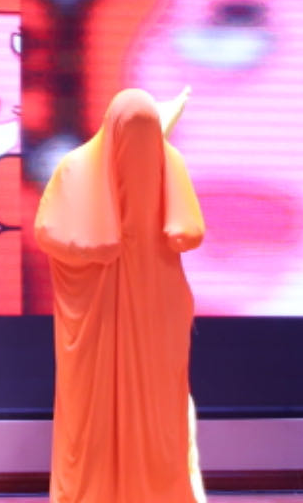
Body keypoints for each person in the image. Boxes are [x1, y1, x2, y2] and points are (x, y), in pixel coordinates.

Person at [34, 88, 205, 503]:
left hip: (155, 304)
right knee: (96, 410)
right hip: (101, 312)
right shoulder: (79, 167)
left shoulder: (166, 161)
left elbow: (187, 231)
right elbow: (49, 232)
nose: (139, 146)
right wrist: (94, 247)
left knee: (157, 409)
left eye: (145, 134)